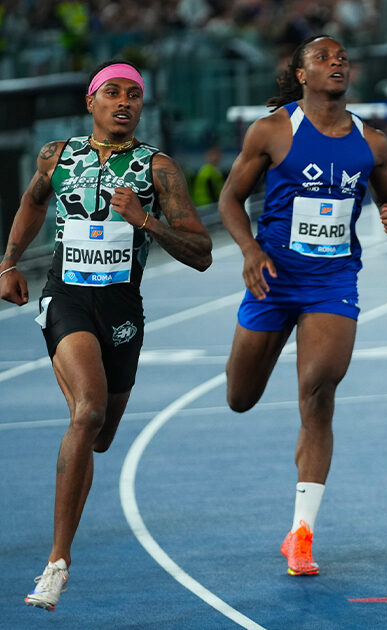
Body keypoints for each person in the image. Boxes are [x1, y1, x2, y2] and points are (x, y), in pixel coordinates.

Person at [0, 60, 213, 610]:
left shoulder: (157, 168)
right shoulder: (58, 155)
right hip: (67, 297)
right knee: (87, 410)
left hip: (122, 309)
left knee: (100, 434)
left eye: (134, 95)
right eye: (113, 93)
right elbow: (32, 202)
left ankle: (80, 468)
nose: (125, 102)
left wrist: (144, 221)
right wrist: (8, 263)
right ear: (90, 103)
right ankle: (57, 563)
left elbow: (201, 254)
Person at [217, 34, 387, 577]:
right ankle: (257, 359)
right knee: (239, 397)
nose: (336, 62)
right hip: (272, 278)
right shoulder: (274, 130)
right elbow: (230, 199)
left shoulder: (372, 142)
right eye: (323, 57)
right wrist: (251, 249)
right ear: (301, 74)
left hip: (332, 280)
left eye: (343, 57)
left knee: (318, 392)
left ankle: (301, 533)